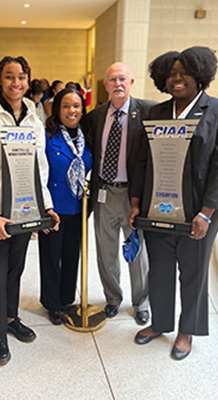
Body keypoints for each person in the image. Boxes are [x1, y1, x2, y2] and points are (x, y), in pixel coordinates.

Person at [129, 46, 218, 360]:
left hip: (198, 211)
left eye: (184, 73)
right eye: (171, 74)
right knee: (160, 269)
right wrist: (137, 202)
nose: (177, 79)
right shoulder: (156, 112)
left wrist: (207, 213)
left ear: (200, 76)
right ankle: (160, 323)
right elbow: (141, 161)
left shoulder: (215, 111)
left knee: (193, 272)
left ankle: (186, 330)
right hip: (158, 207)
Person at [0, 56, 59, 365]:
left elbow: (41, 168)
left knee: (15, 269)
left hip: (24, 211)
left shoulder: (35, 120)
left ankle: (10, 318)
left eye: (21, 77)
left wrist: (46, 206)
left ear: (28, 80)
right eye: (9, 77)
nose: (16, 83)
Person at [88, 62, 155, 325]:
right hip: (104, 192)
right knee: (106, 252)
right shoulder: (96, 115)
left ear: (131, 83)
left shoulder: (148, 111)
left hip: (133, 196)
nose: (117, 84)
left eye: (122, 79)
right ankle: (113, 299)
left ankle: (141, 302)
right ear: (105, 85)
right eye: (112, 79)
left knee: (137, 253)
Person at [38, 88, 93, 325]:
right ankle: (51, 303)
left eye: (77, 106)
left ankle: (66, 299)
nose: (72, 111)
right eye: (66, 106)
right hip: (54, 207)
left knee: (72, 255)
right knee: (51, 256)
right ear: (57, 109)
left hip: (79, 207)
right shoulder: (47, 136)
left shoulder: (87, 135)